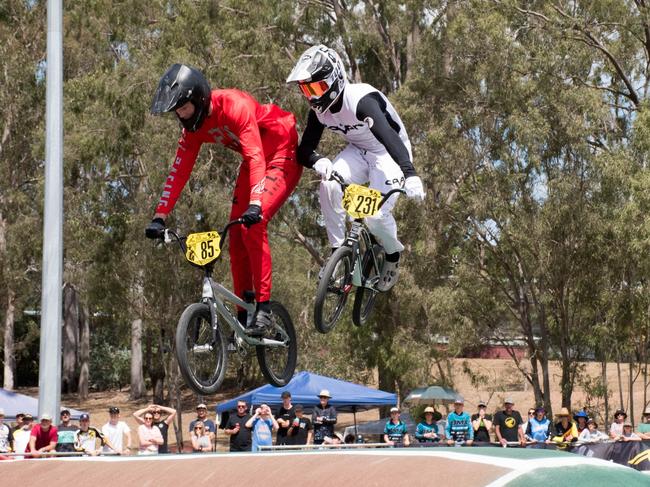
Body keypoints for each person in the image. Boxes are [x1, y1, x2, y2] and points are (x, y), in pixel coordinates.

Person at [146, 64, 303, 336]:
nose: (181, 117)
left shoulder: (234, 105)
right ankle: (244, 311)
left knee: (252, 224)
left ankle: (264, 310)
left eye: (184, 109)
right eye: (177, 112)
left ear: (199, 99)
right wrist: (160, 215)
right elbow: (179, 170)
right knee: (234, 233)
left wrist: (255, 202)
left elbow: (255, 156)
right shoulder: (192, 130)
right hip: (255, 158)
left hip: (280, 151)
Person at [286, 45, 426, 291]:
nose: (311, 96)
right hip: (359, 151)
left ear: (335, 80)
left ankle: (392, 255)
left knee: (374, 216)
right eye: (306, 90)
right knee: (329, 184)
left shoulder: (361, 101)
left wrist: (410, 173)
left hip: (389, 153)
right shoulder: (319, 113)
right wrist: (319, 160)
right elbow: (304, 150)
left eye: (316, 88)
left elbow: (388, 137)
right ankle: (339, 254)